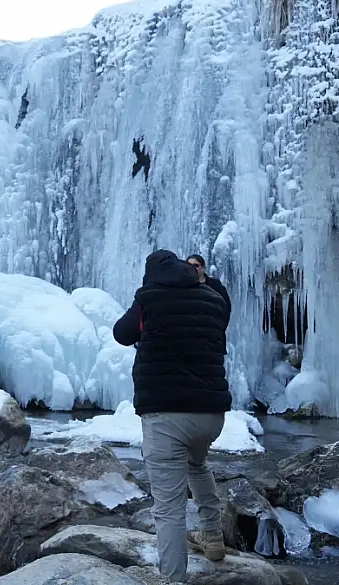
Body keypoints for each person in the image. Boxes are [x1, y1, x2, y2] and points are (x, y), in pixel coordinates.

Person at [112, 250, 231, 583]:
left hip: (167, 416)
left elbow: (122, 333)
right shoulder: (212, 297)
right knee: (197, 464)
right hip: (211, 415)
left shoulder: (149, 299)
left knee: (168, 509)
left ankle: (174, 579)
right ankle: (212, 536)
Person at [186, 254, 231, 325]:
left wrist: (220, 328)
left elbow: (226, 307)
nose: (192, 268)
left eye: (196, 265)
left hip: (212, 329)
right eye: (189, 265)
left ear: (203, 268)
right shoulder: (183, 285)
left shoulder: (216, 286)